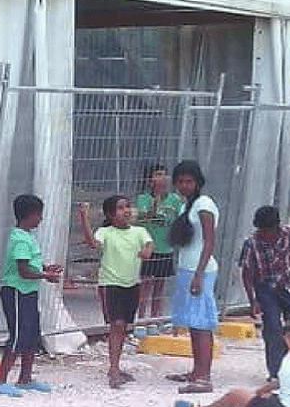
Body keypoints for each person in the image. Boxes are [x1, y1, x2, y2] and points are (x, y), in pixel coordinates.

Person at [174, 318, 290, 407]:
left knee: (235, 395)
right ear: (284, 338)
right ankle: (232, 406)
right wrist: (260, 391)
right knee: (247, 395)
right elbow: (282, 381)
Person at [77, 195, 153, 389]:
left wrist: (147, 252)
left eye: (128, 206)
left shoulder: (139, 231)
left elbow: (148, 245)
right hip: (111, 284)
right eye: (120, 208)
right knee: (116, 325)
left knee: (123, 326)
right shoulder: (105, 232)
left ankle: (116, 366)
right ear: (110, 214)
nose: (126, 210)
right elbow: (92, 243)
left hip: (132, 284)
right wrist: (84, 218)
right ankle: (113, 369)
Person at [0, 194, 63, 397]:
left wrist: (45, 268)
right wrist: (45, 276)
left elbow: (30, 263)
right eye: (39, 214)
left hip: (28, 291)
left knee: (31, 334)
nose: (41, 219)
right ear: (29, 215)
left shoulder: (27, 236)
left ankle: (26, 378)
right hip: (16, 291)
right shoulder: (20, 239)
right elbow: (22, 270)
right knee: (18, 336)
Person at [165, 160, 219, 393]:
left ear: (198, 182)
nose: (184, 185)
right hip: (187, 268)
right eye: (180, 181)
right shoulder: (187, 205)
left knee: (202, 323)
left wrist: (198, 273)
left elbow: (209, 241)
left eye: (189, 181)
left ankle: (204, 377)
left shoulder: (204, 204)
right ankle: (196, 371)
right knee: (194, 324)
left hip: (200, 270)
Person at [238, 205, 290, 381]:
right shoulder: (251, 243)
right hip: (266, 289)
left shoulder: (288, 234)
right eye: (262, 231)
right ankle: (276, 372)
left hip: (288, 285)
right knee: (273, 329)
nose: (266, 235)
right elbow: (247, 273)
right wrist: (253, 301)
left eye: (269, 231)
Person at [135, 164, 184, 320]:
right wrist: (155, 202)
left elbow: (181, 217)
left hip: (165, 248)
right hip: (149, 248)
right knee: (146, 284)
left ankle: (154, 318)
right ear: (150, 180)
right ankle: (141, 319)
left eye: (164, 174)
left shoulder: (174, 200)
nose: (163, 178)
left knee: (159, 286)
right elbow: (142, 217)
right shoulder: (143, 199)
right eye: (158, 174)